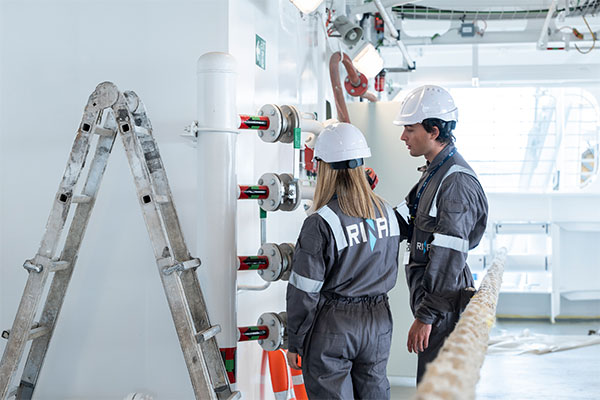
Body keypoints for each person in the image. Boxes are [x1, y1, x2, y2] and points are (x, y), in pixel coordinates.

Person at [286, 122, 400, 400]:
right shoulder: (388, 212)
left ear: (323, 168)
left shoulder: (320, 222)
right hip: (379, 321)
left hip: (335, 327)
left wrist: (295, 340)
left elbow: (304, 290)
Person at [392, 85, 488, 383]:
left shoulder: (455, 183)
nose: (403, 137)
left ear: (433, 131)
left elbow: (448, 258)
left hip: (443, 307)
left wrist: (426, 317)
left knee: (435, 385)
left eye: (410, 129)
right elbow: (404, 219)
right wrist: (360, 202)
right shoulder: (434, 171)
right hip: (435, 302)